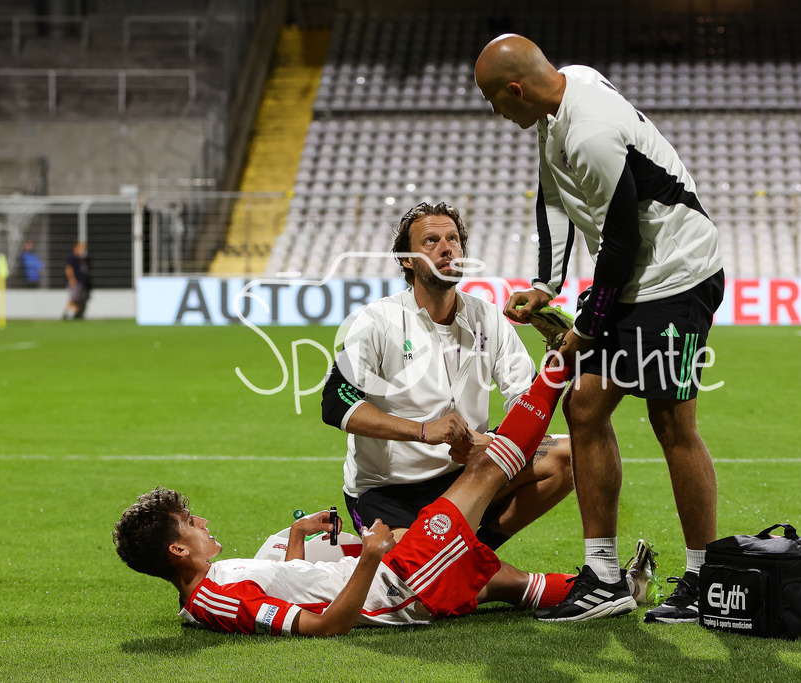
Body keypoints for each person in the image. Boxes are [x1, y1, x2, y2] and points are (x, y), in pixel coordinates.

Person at [475, 35, 725, 624]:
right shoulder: (566, 90)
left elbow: (620, 243)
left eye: (493, 99)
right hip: (637, 278)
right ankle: (604, 576)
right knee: (584, 407)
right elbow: (553, 199)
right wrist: (546, 283)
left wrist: (587, 325)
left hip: (675, 277)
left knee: (671, 421)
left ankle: (704, 579)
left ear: (516, 89)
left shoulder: (589, 132)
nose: (494, 112)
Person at [113, 364, 583, 637]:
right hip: (399, 582)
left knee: (520, 587)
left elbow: (294, 586)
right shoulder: (214, 600)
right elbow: (323, 627)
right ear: (177, 549)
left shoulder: (208, 591)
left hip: (398, 577)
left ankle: (621, 587)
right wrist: (371, 557)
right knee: (487, 466)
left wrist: (296, 536)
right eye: (191, 522)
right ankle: (559, 365)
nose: (203, 521)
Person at [321, 201, 575, 552]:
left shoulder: (488, 317)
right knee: (411, 581)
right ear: (407, 259)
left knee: (567, 455)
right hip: (389, 492)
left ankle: (473, 557)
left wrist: (557, 361)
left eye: (453, 239)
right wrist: (424, 431)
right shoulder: (376, 320)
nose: (446, 248)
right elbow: (337, 401)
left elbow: (528, 400)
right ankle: (452, 564)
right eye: (431, 241)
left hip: (471, 475)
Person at [63, 241, 90, 319]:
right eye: (81, 248)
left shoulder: (80, 259)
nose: (83, 250)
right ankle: (65, 313)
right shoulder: (73, 257)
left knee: (78, 299)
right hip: (75, 282)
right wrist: (72, 279)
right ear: (76, 248)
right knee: (73, 298)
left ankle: (76, 315)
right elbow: (68, 268)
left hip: (81, 282)